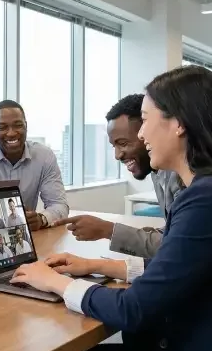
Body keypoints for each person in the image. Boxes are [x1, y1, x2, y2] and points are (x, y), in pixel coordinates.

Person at [9, 66, 212, 351]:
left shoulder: (211, 198)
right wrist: (97, 266)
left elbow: (133, 309)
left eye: (146, 120)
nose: (140, 134)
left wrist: (55, 282)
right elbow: (181, 265)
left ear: (178, 123)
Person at [53, 94, 182, 258]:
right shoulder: (158, 172)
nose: (117, 155)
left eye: (123, 143)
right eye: (114, 145)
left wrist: (107, 230)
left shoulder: (183, 176)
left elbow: (179, 247)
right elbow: (175, 232)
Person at [0, 100, 69, 231]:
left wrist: (41, 219)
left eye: (18, 125)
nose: (11, 133)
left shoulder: (44, 156)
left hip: (29, 236)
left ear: (26, 126)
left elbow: (59, 205)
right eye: (3, 127)